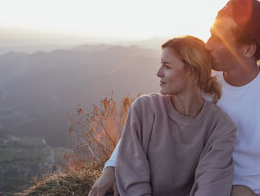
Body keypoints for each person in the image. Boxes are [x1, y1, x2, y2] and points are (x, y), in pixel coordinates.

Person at [89, 0, 260, 196]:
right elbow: (147, 121)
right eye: (211, 32)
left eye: (219, 38)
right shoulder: (204, 82)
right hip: (200, 187)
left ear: (247, 49)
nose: (208, 44)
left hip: (256, 191)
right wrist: (111, 167)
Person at [89, 36, 237, 196]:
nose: (159, 73)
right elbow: (132, 175)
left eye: (167, 66)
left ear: (192, 70)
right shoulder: (144, 109)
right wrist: (110, 169)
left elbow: (211, 187)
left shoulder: (221, 127)